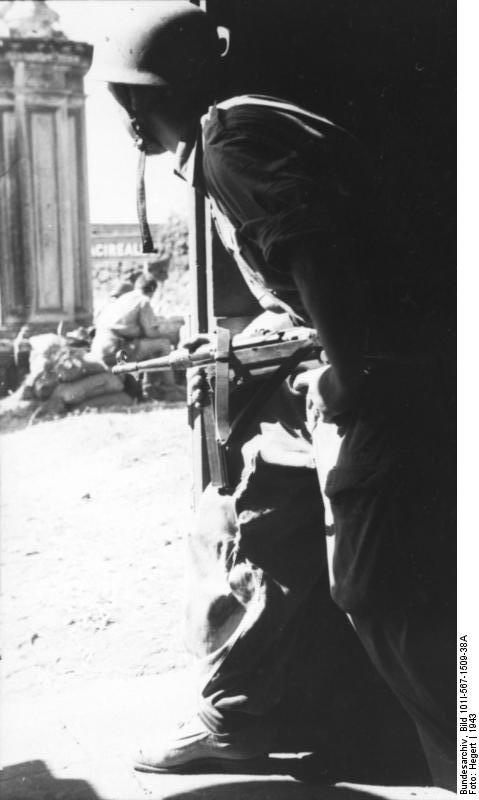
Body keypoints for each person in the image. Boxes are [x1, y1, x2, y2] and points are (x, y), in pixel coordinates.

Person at [91, 2, 455, 788]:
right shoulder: (244, 125)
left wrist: (344, 378)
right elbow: (302, 273)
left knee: (379, 590)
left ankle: (463, 754)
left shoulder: (234, 147)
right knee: (266, 506)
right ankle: (243, 714)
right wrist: (242, 342)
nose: (130, 125)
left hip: (384, 374)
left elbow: (323, 259)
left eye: (131, 103)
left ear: (145, 100)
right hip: (366, 358)